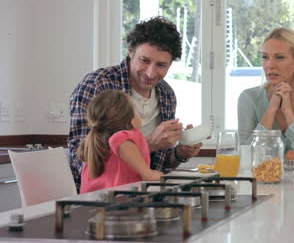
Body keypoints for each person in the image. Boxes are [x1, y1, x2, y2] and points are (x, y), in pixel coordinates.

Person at [68, 16, 201, 193]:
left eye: (161, 65)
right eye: (144, 60)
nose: (151, 72)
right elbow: (82, 156)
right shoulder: (98, 84)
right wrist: (147, 144)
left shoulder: (166, 95)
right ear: (130, 51)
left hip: (144, 197)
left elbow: (156, 166)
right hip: (100, 198)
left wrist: (180, 153)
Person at [237, 27, 294, 151]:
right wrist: (271, 110)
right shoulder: (248, 98)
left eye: (279, 57)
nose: (270, 65)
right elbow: (246, 154)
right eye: (265, 57)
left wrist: (288, 112)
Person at [78, 90, 164, 193]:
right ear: (130, 120)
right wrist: (148, 173)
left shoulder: (93, 141)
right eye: (135, 109)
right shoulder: (129, 135)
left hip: (90, 203)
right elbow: (117, 139)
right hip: (119, 202)